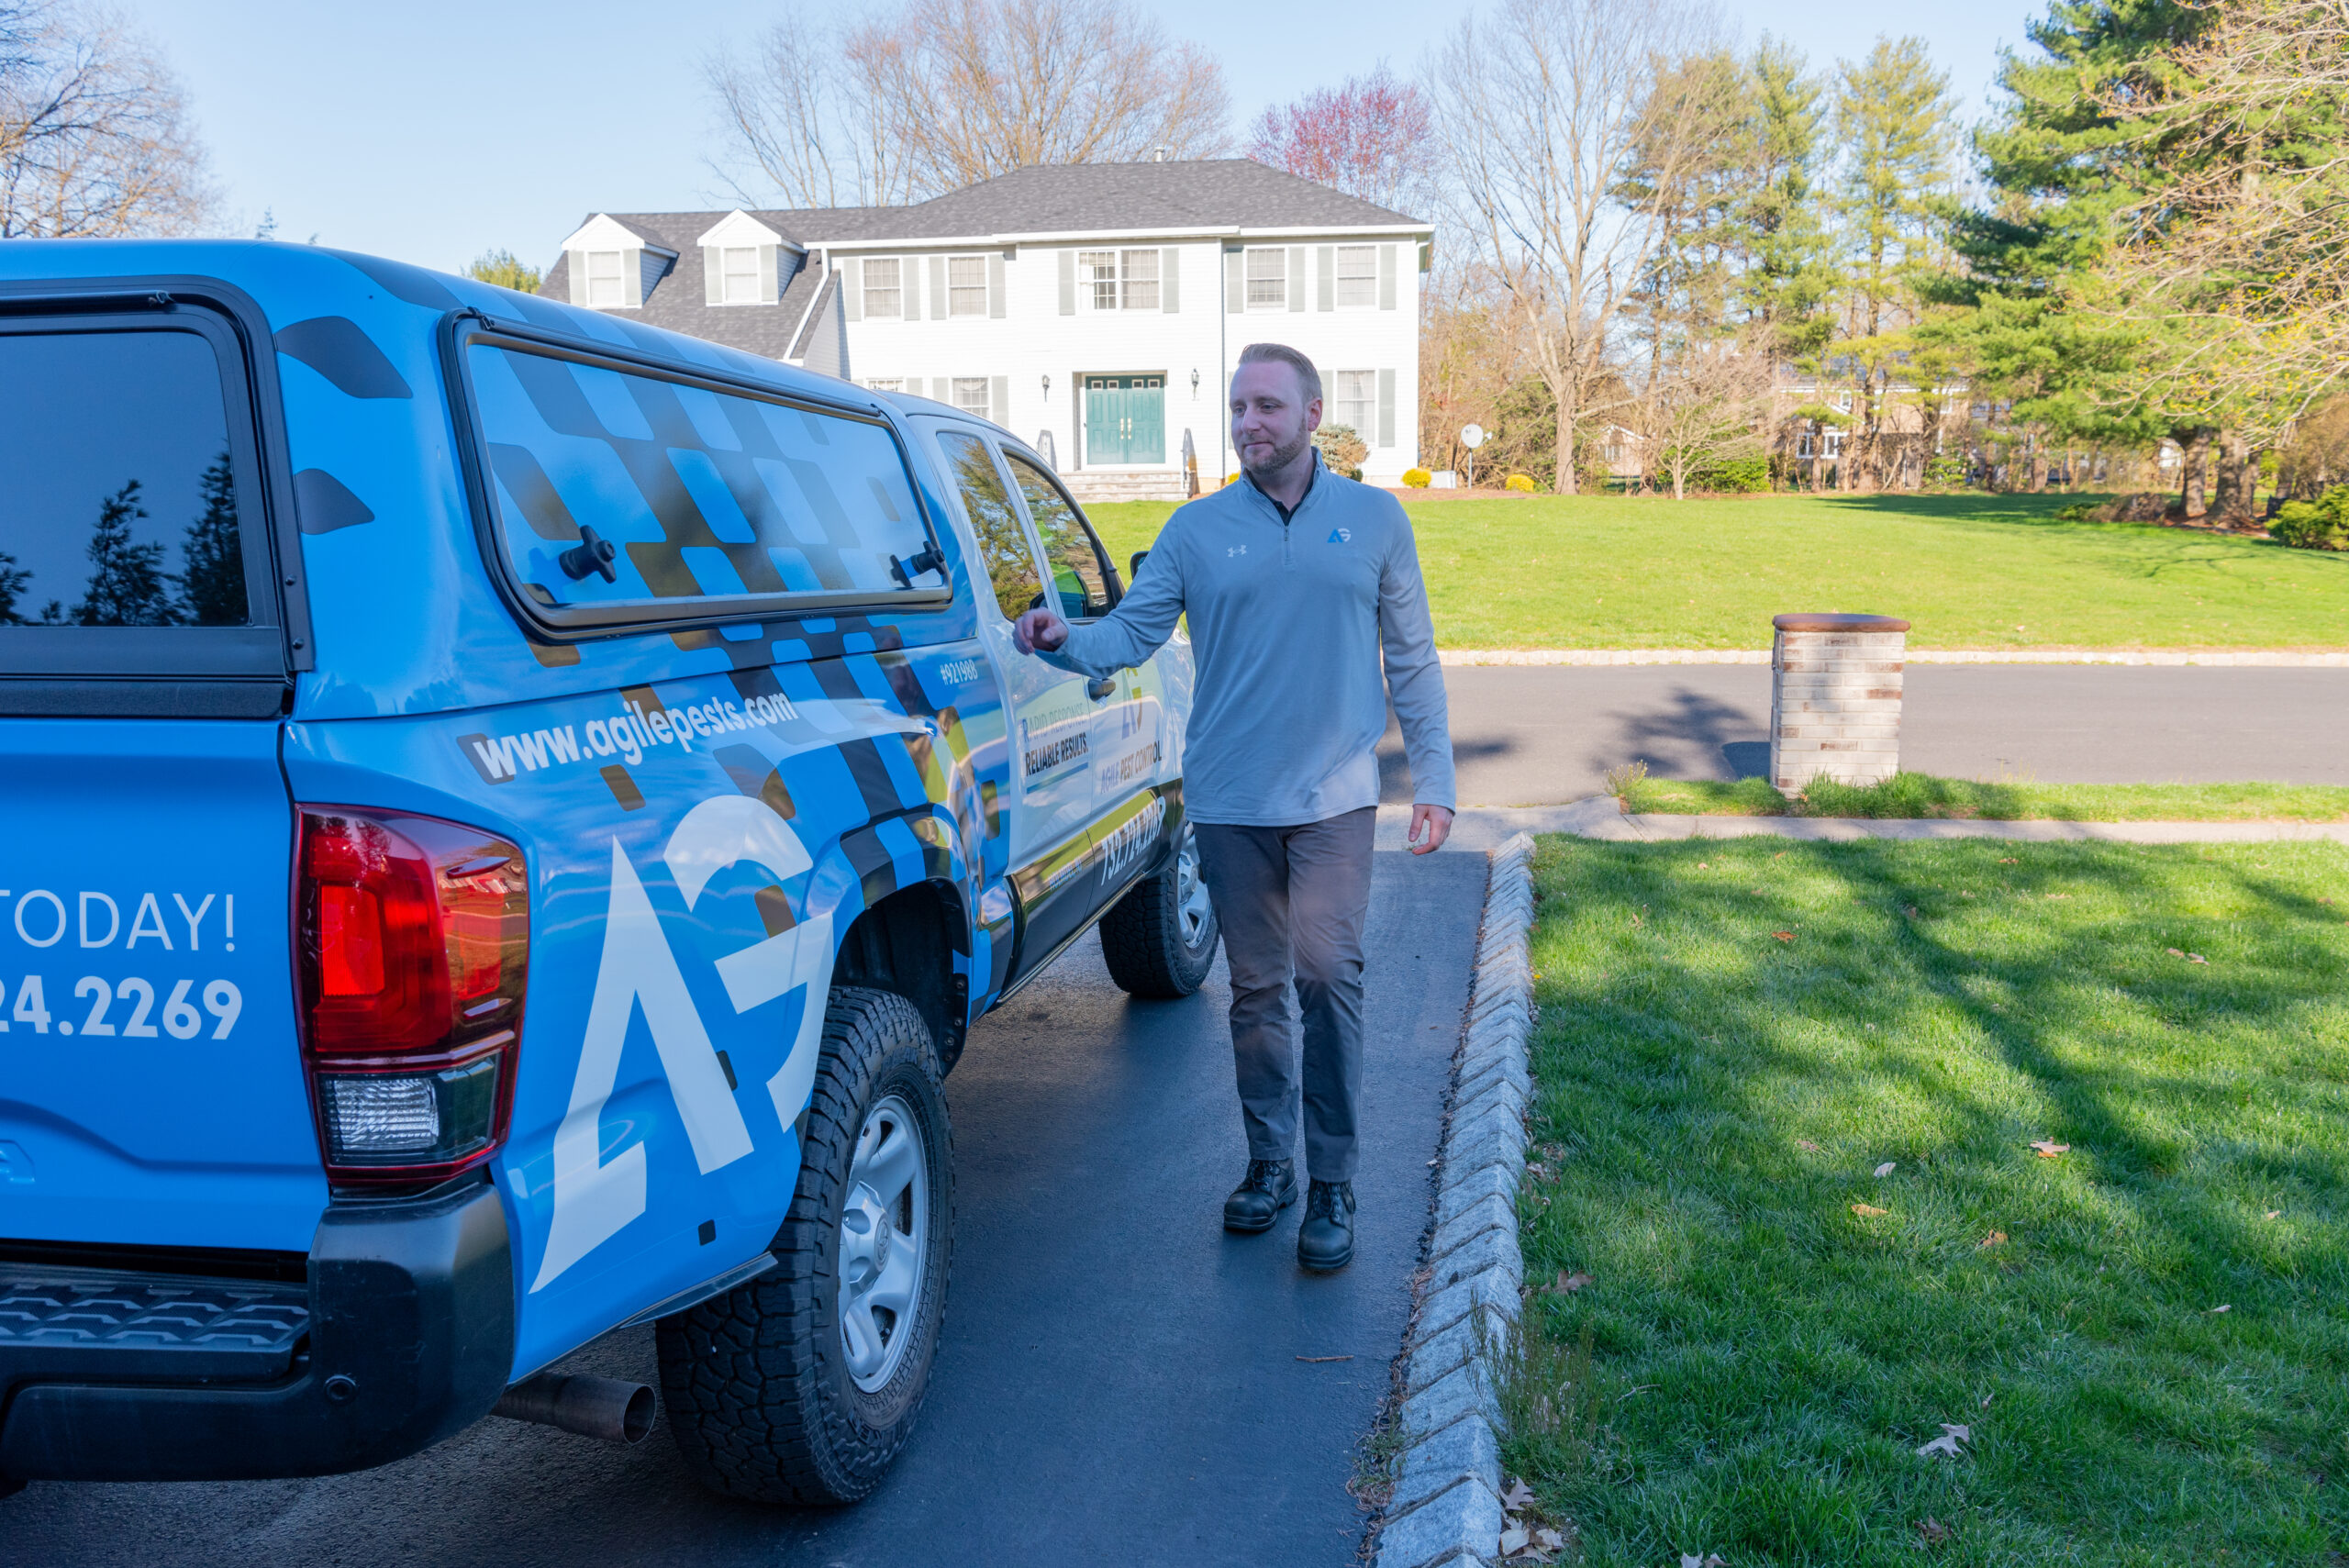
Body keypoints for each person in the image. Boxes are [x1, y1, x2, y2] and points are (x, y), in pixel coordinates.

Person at [1012, 341, 1455, 1272]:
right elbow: (1130, 634)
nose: (1250, 423)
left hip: (1334, 794)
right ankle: (1270, 1164)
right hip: (1230, 797)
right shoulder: (1194, 530)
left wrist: (1435, 779)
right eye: (1239, 408)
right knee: (1255, 990)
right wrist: (1062, 641)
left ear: (1312, 413)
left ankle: (1331, 1176)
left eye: (1267, 406)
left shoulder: (1375, 520)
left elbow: (1410, 656)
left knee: (1327, 974)